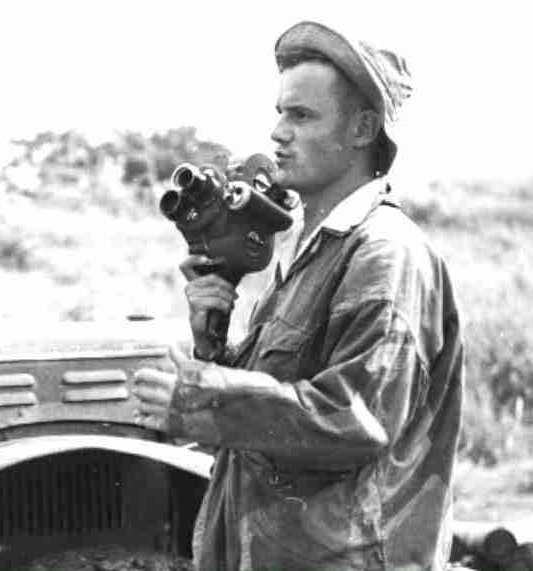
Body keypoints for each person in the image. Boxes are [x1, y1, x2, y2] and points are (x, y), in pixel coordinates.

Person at [133, 19, 465, 571]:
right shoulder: (318, 250)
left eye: (301, 116)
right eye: (280, 113)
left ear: (363, 129)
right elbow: (280, 415)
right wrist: (213, 342)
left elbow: (354, 418)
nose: (277, 133)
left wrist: (200, 398)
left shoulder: (384, 254)